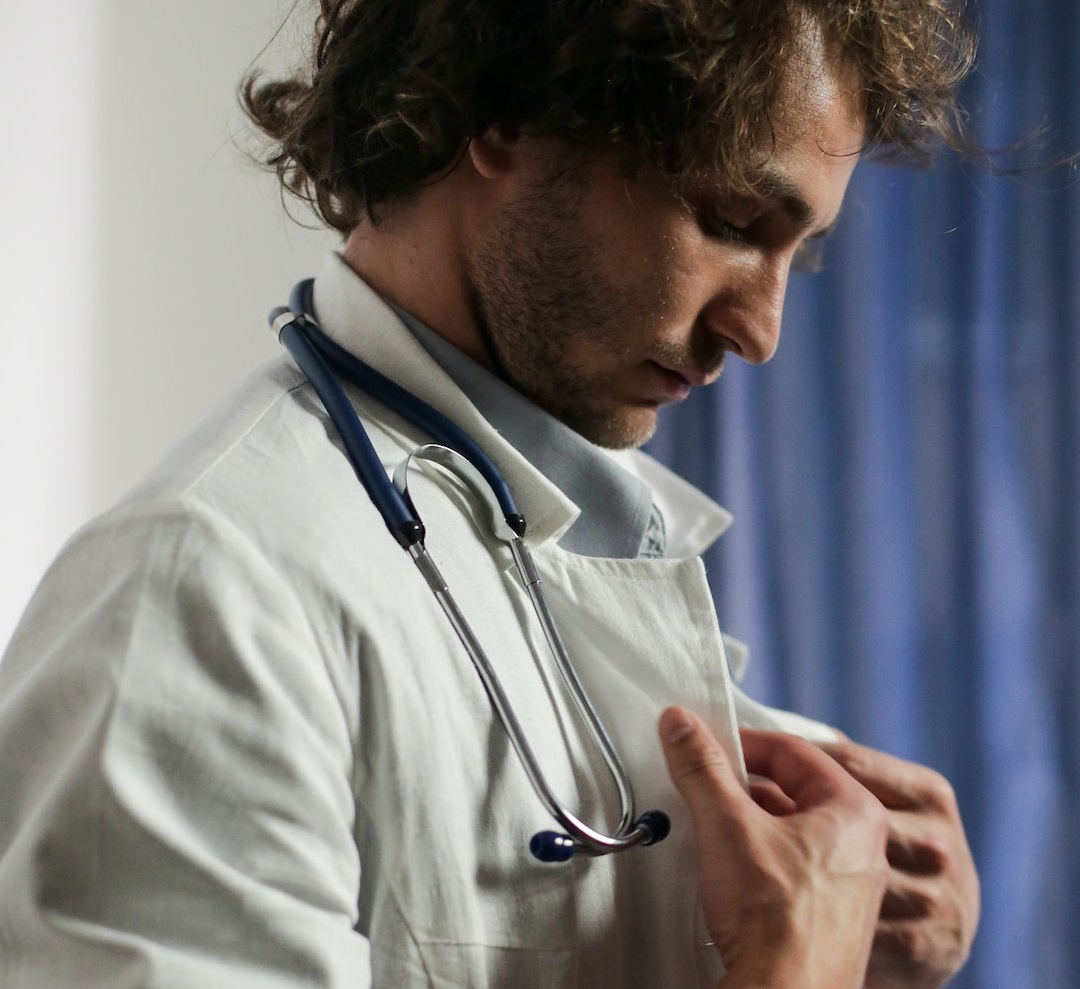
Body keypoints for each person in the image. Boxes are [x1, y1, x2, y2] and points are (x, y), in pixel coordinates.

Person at [0, 2, 981, 987]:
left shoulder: (566, 539)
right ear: (509, 111)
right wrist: (799, 965)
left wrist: (880, 929)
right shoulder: (199, 592)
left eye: (799, 251)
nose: (760, 331)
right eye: (728, 221)